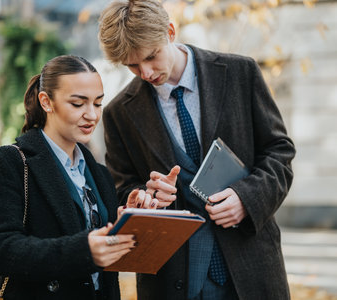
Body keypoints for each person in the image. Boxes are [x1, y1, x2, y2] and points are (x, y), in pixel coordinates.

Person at [98, 1, 296, 299]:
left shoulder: (240, 72)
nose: (147, 72)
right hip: (172, 277)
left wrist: (247, 198)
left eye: (152, 57)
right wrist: (144, 197)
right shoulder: (119, 113)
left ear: (171, 31)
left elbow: (279, 151)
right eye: (133, 66)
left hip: (251, 264)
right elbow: (123, 188)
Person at [0, 55, 169, 299]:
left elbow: (106, 246)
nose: (91, 115)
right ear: (46, 102)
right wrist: (82, 251)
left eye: (98, 103)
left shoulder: (99, 172)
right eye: (78, 104)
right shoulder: (9, 162)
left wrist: (127, 218)